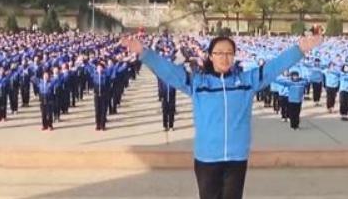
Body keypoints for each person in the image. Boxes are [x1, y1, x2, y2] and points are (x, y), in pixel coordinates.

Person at [121, 33, 322, 199]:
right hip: (207, 158)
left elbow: (273, 68)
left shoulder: (246, 82)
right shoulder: (199, 83)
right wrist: (143, 52)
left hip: (236, 157)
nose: (224, 58)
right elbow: (169, 72)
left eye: (229, 53)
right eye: (219, 53)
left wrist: (300, 49)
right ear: (210, 56)